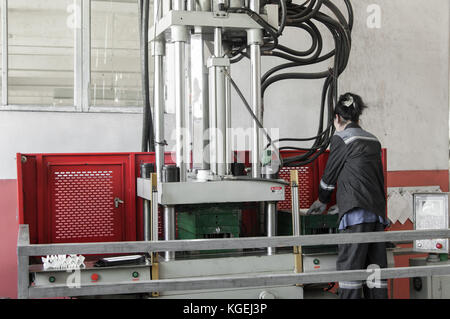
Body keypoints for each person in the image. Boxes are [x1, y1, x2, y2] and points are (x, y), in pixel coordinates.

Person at [307, 92, 389, 299]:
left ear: (336, 118)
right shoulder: (373, 140)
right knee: (375, 276)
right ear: (358, 117)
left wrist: (322, 201)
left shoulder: (342, 138)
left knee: (350, 277)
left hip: (355, 216)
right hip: (377, 216)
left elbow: (330, 175)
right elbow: (370, 177)